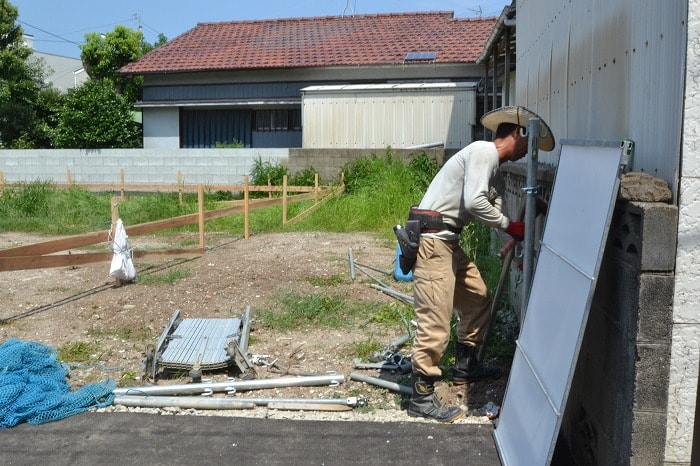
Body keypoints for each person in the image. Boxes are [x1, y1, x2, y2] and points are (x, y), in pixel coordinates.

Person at [406, 106, 555, 423]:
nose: (529, 151)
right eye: (528, 142)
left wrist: (509, 232)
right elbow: (475, 202)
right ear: (516, 133)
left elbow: (490, 206)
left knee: (478, 299)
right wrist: (509, 226)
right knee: (435, 318)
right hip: (434, 240)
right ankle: (421, 395)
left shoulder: (495, 170)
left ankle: (465, 366)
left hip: (449, 241)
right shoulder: (483, 151)